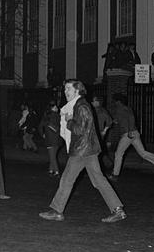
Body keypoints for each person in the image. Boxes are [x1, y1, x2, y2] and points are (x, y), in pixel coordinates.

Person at [39, 80, 127, 223]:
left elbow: (81, 129)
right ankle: (118, 210)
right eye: (65, 89)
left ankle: (56, 211)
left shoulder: (81, 106)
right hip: (88, 149)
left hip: (81, 149)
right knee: (98, 180)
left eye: (68, 89)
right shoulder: (81, 105)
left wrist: (69, 121)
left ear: (77, 90)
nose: (65, 92)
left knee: (67, 179)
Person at [108, 94, 154, 179]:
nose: (113, 103)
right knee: (143, 153)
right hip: (134, 133)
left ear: (118, 101)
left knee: (118, 154)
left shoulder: (120, 108)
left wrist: (129, 130)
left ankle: (115, 174)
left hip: (128, 134)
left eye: (114, 101)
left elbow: (131, 118)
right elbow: (123, 119)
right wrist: (115, 121)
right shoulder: (126, 108)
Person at [38, 100, 61, 176]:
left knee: (52, 156)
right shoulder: (58, 116)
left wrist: (43, 134)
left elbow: (40, 127)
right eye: (55, 107)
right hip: (57, 139)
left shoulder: (46, 116)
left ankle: (56, 171)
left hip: (49, 138)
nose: (56, 107)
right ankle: (51, 170)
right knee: (53, 155)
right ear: (52, 108)